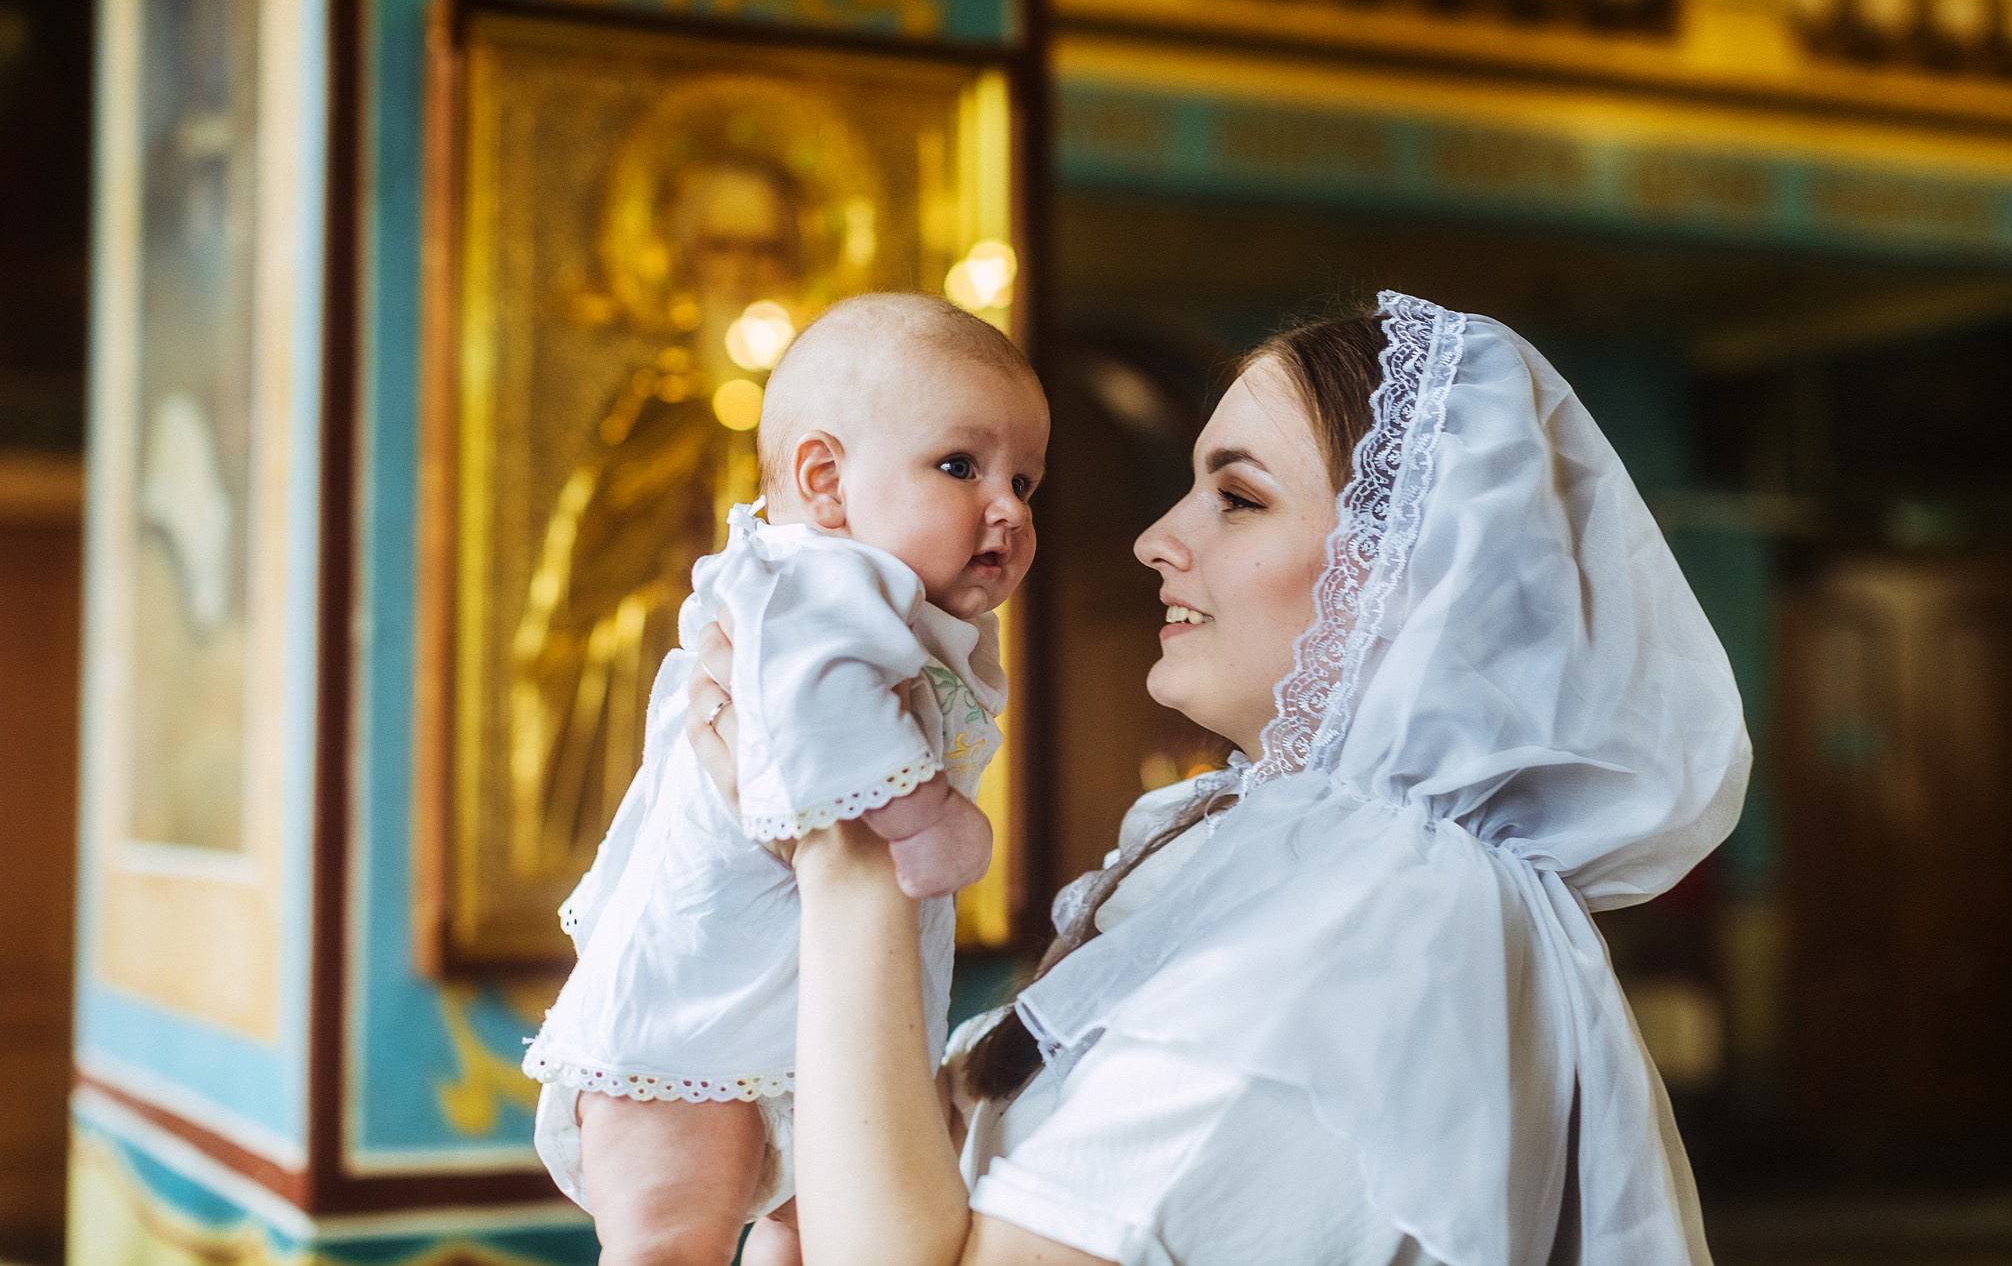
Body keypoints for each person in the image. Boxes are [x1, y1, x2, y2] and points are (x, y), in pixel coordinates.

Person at [688, 290, 1751, 1266]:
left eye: (1236, 499)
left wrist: (849, 848)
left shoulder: (1376, 924)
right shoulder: (1257, 863)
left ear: (1413, 579)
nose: (1156, 540)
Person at [524, 293, 1051, 1266]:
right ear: (825, 480)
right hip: (686, 1033)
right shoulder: (807, 582)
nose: (1008, 509)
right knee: (663, 1244)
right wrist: (920, 810)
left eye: (1025, 480)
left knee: (810, 1233)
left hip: (800, 1029)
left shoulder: (884, 603)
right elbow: (813, 709)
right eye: (960, 466)